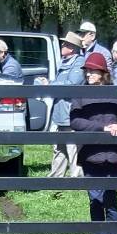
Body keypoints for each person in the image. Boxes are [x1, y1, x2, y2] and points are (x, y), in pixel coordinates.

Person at [70, 53, 117, 234]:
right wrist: (102, 128)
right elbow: (75, 121)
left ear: (103, 73)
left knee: (111, 198)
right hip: (91, 155)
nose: (88, 74)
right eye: (87, 70)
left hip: (114, 155)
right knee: (95, 199)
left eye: (92, 70)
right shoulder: (81, 95)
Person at [39, 31, 86, 178]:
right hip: (60, 112)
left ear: (72, 48)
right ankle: (55, 177)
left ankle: (77, 178)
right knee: (59, 147)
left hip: (71, 112)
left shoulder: (79, 63)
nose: (62, 46)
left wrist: (50, 84)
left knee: (73, 147)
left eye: (65, 44)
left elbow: (72, 84)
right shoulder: (64, 62)